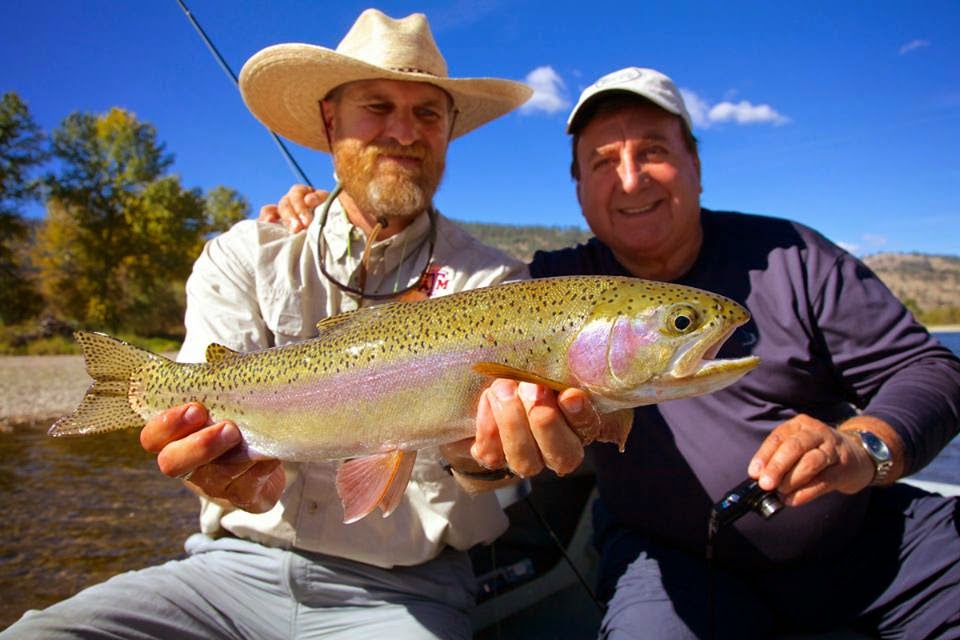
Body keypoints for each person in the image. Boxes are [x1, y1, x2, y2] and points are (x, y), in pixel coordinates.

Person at [264, 67, 960, 638]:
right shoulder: (543, 284)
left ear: (694, 162)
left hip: (874, 548)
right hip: (674, 563)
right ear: (578, 187)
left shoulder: (794, 255)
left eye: (653, 150)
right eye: (603, 161)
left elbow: (930, 369)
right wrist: (326, 210)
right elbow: (433, 332)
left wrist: (866, 449)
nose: (630, 179)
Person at [1, 10, 590, 640]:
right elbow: (216, 446)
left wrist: (483, 461)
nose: (404, 131)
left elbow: (484, 476)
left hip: (408, 588)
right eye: (376, 106)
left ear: (449, 130)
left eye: (427, 113)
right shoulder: (244, 256)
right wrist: (226, 479)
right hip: (230, 572)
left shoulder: (495, 285)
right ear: (329, 122)